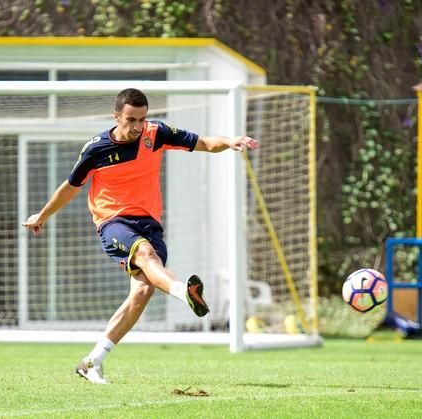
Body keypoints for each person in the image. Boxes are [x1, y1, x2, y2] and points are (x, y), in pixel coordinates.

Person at [23, 88, 259, 384]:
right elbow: (70, 186)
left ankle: (91, 362)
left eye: (142, 119)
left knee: (142, 292)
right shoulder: (96, 148)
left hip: (149, 223)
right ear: (116, 116)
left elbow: (206, 143)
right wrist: (42, 215)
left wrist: (231, 140)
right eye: (131, 119)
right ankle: (181, 291)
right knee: (145, 254)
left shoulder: (156, 133)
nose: (137, 126)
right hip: (113, 222)